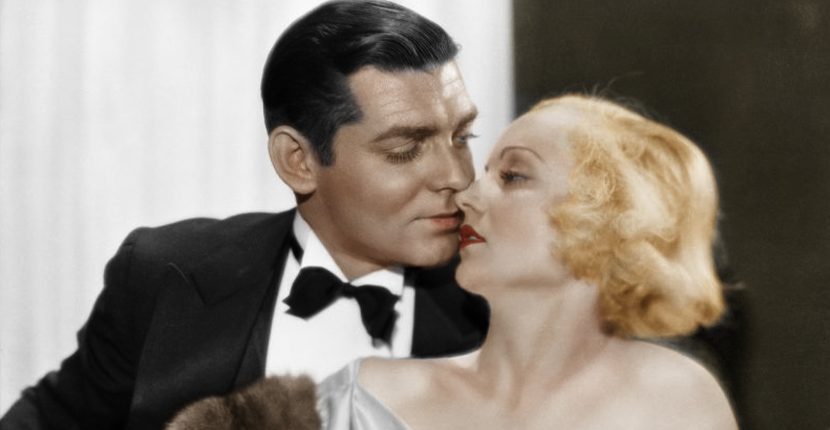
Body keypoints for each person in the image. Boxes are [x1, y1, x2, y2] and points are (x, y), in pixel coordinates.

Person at [0, 1, 489, 428]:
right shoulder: (163, 274)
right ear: (298, 161)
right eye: (405, 148)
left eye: (462, 137)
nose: (459, 175)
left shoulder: (504, 302)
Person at [314, 94, 739, 429]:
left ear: (606, 220)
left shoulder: (672, 401)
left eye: (513, 176)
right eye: (485, 173)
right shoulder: (359, 401)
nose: (467, 197)